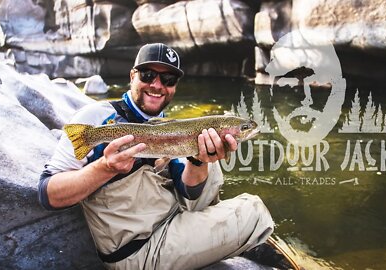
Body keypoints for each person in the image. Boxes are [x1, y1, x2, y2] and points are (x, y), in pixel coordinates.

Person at [38, 43, 274, 269]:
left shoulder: (174, 126)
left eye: (168, 79)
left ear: (174, 86)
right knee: (254, 210)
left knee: (211, 168)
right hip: (137, 251)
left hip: (168, 219)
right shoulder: (96, 119)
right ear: (132, 76)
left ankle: (219, 236)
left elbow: (189, 191)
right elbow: (48, 193)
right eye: (148, 75)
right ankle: (238, 237)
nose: (157, 85)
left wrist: (199, 158)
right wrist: (106, 167)